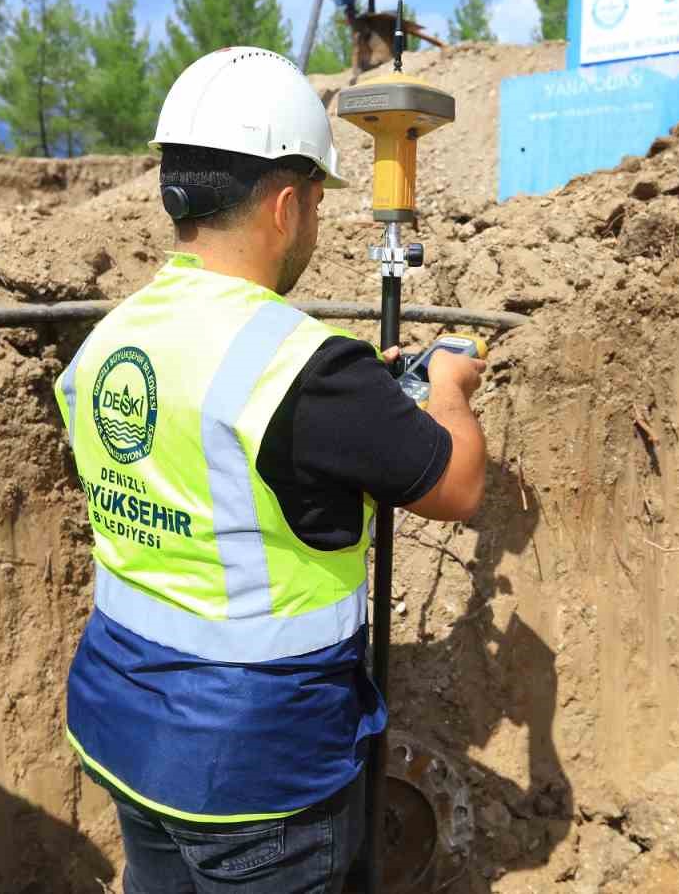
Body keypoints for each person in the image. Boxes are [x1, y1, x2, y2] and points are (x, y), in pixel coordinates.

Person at [53, 46, 487, 893]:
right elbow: (458, 485)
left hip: (125, 730)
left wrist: (356, 397)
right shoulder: (309, 370)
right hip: (256, 776)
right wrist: (449, 387)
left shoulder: (112, 337)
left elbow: (211, 458)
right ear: (288, 205)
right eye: (318, 202)